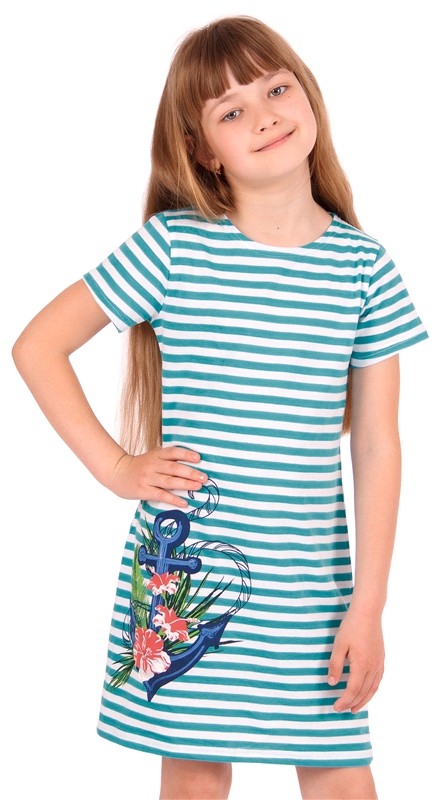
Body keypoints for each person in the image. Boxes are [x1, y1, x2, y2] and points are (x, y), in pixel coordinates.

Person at [12, 14, 429, 800]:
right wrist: (116, 467)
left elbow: (378, 444)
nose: (265, 114)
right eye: (231, 110)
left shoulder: (364, 267)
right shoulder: (174, 248)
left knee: (341, 777)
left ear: (309, 97)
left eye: (277, 89)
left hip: (313, 583)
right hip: (189, 575)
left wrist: (369, 605)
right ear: (203, 150)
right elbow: (38, 346)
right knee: (196, 779)